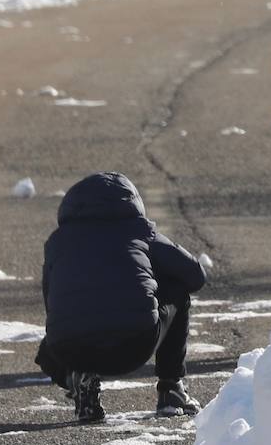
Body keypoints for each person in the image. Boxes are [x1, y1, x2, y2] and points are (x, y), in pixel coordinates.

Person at [35, 171, 207, 423]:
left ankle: (79, 378)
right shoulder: (138, 230)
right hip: (133, 344)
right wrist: (151, 276)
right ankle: (171, 389)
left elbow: (51, 303)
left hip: (71, 349)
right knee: (177, 292)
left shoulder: (58, 242)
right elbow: (194, 277)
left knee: (59, 334)